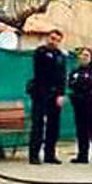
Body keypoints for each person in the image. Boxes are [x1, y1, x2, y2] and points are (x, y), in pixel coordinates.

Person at [27, 29, 67, 165]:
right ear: (47, 38)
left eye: (56, 40)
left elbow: (62, 76)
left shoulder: (60, 55)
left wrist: (61, 94)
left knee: (53, 125)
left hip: (55, 95)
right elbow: (42, 71)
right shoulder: (40, 52)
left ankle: (50, 154)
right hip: (40, 93)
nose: (53, 41)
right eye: (51, 38)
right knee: (38, 124)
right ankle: (34, 155)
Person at [68, 48, 92, 166]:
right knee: (81, 130)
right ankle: (82, 155)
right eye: (82, 55)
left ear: (91, 58)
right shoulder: (75, 71)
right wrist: (80, 82)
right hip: (79, 103)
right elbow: (71, 83)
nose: (83, 57)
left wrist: (81, 83)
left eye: (86, 55)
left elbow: (91, 83)